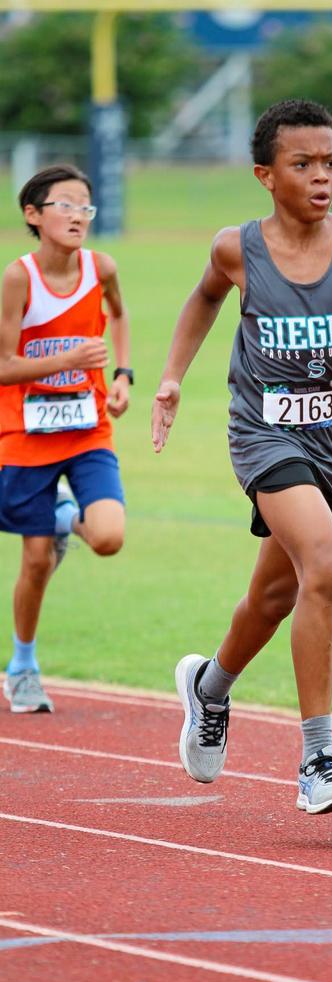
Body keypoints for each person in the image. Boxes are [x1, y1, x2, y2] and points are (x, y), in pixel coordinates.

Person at [152, 98, 332, 814]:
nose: (321, 176)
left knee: (275, 597)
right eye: (302, 164)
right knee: (326, 569)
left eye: (330, 162)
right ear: (265, 175)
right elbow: (203, 299)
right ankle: (318, 759)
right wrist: (173, 377)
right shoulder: (236, 248)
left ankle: (209, 686)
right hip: (263, 437)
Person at [0, 164, 132, 713]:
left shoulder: (101, 268)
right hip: (25, 433)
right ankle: (22, 666)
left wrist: (122, 375)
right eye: (66, 205)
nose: (79, 215)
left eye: (86, 206)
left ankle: (62, 517)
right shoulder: (18, 278)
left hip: (87, 428)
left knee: (109, 536)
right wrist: (67, 359)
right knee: (35, 562)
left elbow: (119, 316)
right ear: (34, 214)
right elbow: (3, 366)